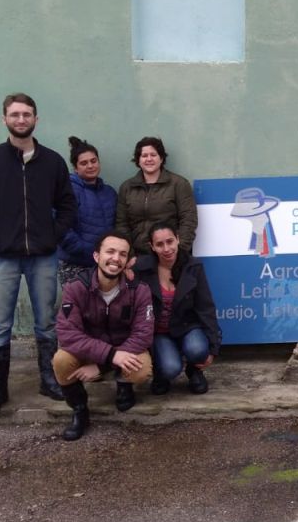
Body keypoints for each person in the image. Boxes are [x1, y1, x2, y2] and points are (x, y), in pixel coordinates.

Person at [0, 92, 77, 415]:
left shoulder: (52, 162)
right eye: (15, 114)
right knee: (0, 324)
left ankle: (49, 380)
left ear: (36, 119)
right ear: (5, 119)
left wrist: (53, 234)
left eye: (27, 114)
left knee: (46, 322)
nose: (21, 119)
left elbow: (68, 206)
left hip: (43, 256)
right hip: (3, 257)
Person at [54, 230, 154, 441]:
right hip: (90, 351)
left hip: (123, 349)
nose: (116, 258)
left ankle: (124, 384)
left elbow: (143, 334)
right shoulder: (75, 287)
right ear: (96, 256)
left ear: (127, 261)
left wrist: (102, 366)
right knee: (61, 361)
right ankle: (80, 410)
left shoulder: (139, 290)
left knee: (141, 369)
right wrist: (110, 356)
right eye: (110, 252)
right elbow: (67, 334)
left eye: (122, 254)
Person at [135, 223, 222, 395]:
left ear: (178, 239)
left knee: (198, 350)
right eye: (160, 244)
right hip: (159, 332)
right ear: (152, 246)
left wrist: (213, 349)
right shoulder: (141, 268)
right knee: (170, 368)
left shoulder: (193, 266)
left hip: (187, 327)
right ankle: (161, 373)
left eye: (170, 241)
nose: (166, 249)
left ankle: (194, 370)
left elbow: (206, 307)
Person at [116, 136, 198, 255]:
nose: (149, 159)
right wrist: (129, 255)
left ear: (161, 158)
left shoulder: (178, 184)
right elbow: (121, 224)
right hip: (138, 255)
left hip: (170, 253)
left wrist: (179, 252)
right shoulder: (127, 187)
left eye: (153, 155)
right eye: (144, 156)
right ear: (138, 160)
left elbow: (188, 220)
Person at [57, 136, 117, 288]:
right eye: (84, 163)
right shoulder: (66, 190)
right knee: (78, 303)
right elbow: (60, 225)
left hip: (105, 264)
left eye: (93, 161)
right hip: (74, 263)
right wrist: (83, 249)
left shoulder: (109, 193)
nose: (90, 166)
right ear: (76, 168)